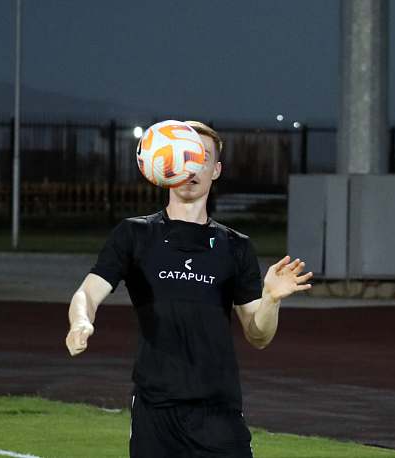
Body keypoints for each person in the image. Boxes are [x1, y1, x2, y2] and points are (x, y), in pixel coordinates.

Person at [65, 121, 312, 458]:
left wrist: (270, 300)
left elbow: (259, 336)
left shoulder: (235, 246)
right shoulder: (135, 234)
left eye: (201, 157)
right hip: (155, 411)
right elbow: (87, 293)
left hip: (219, 412)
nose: (190, 165)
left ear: (216, 170)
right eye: (181, 155)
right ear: (164, 164)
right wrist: (81, 321)